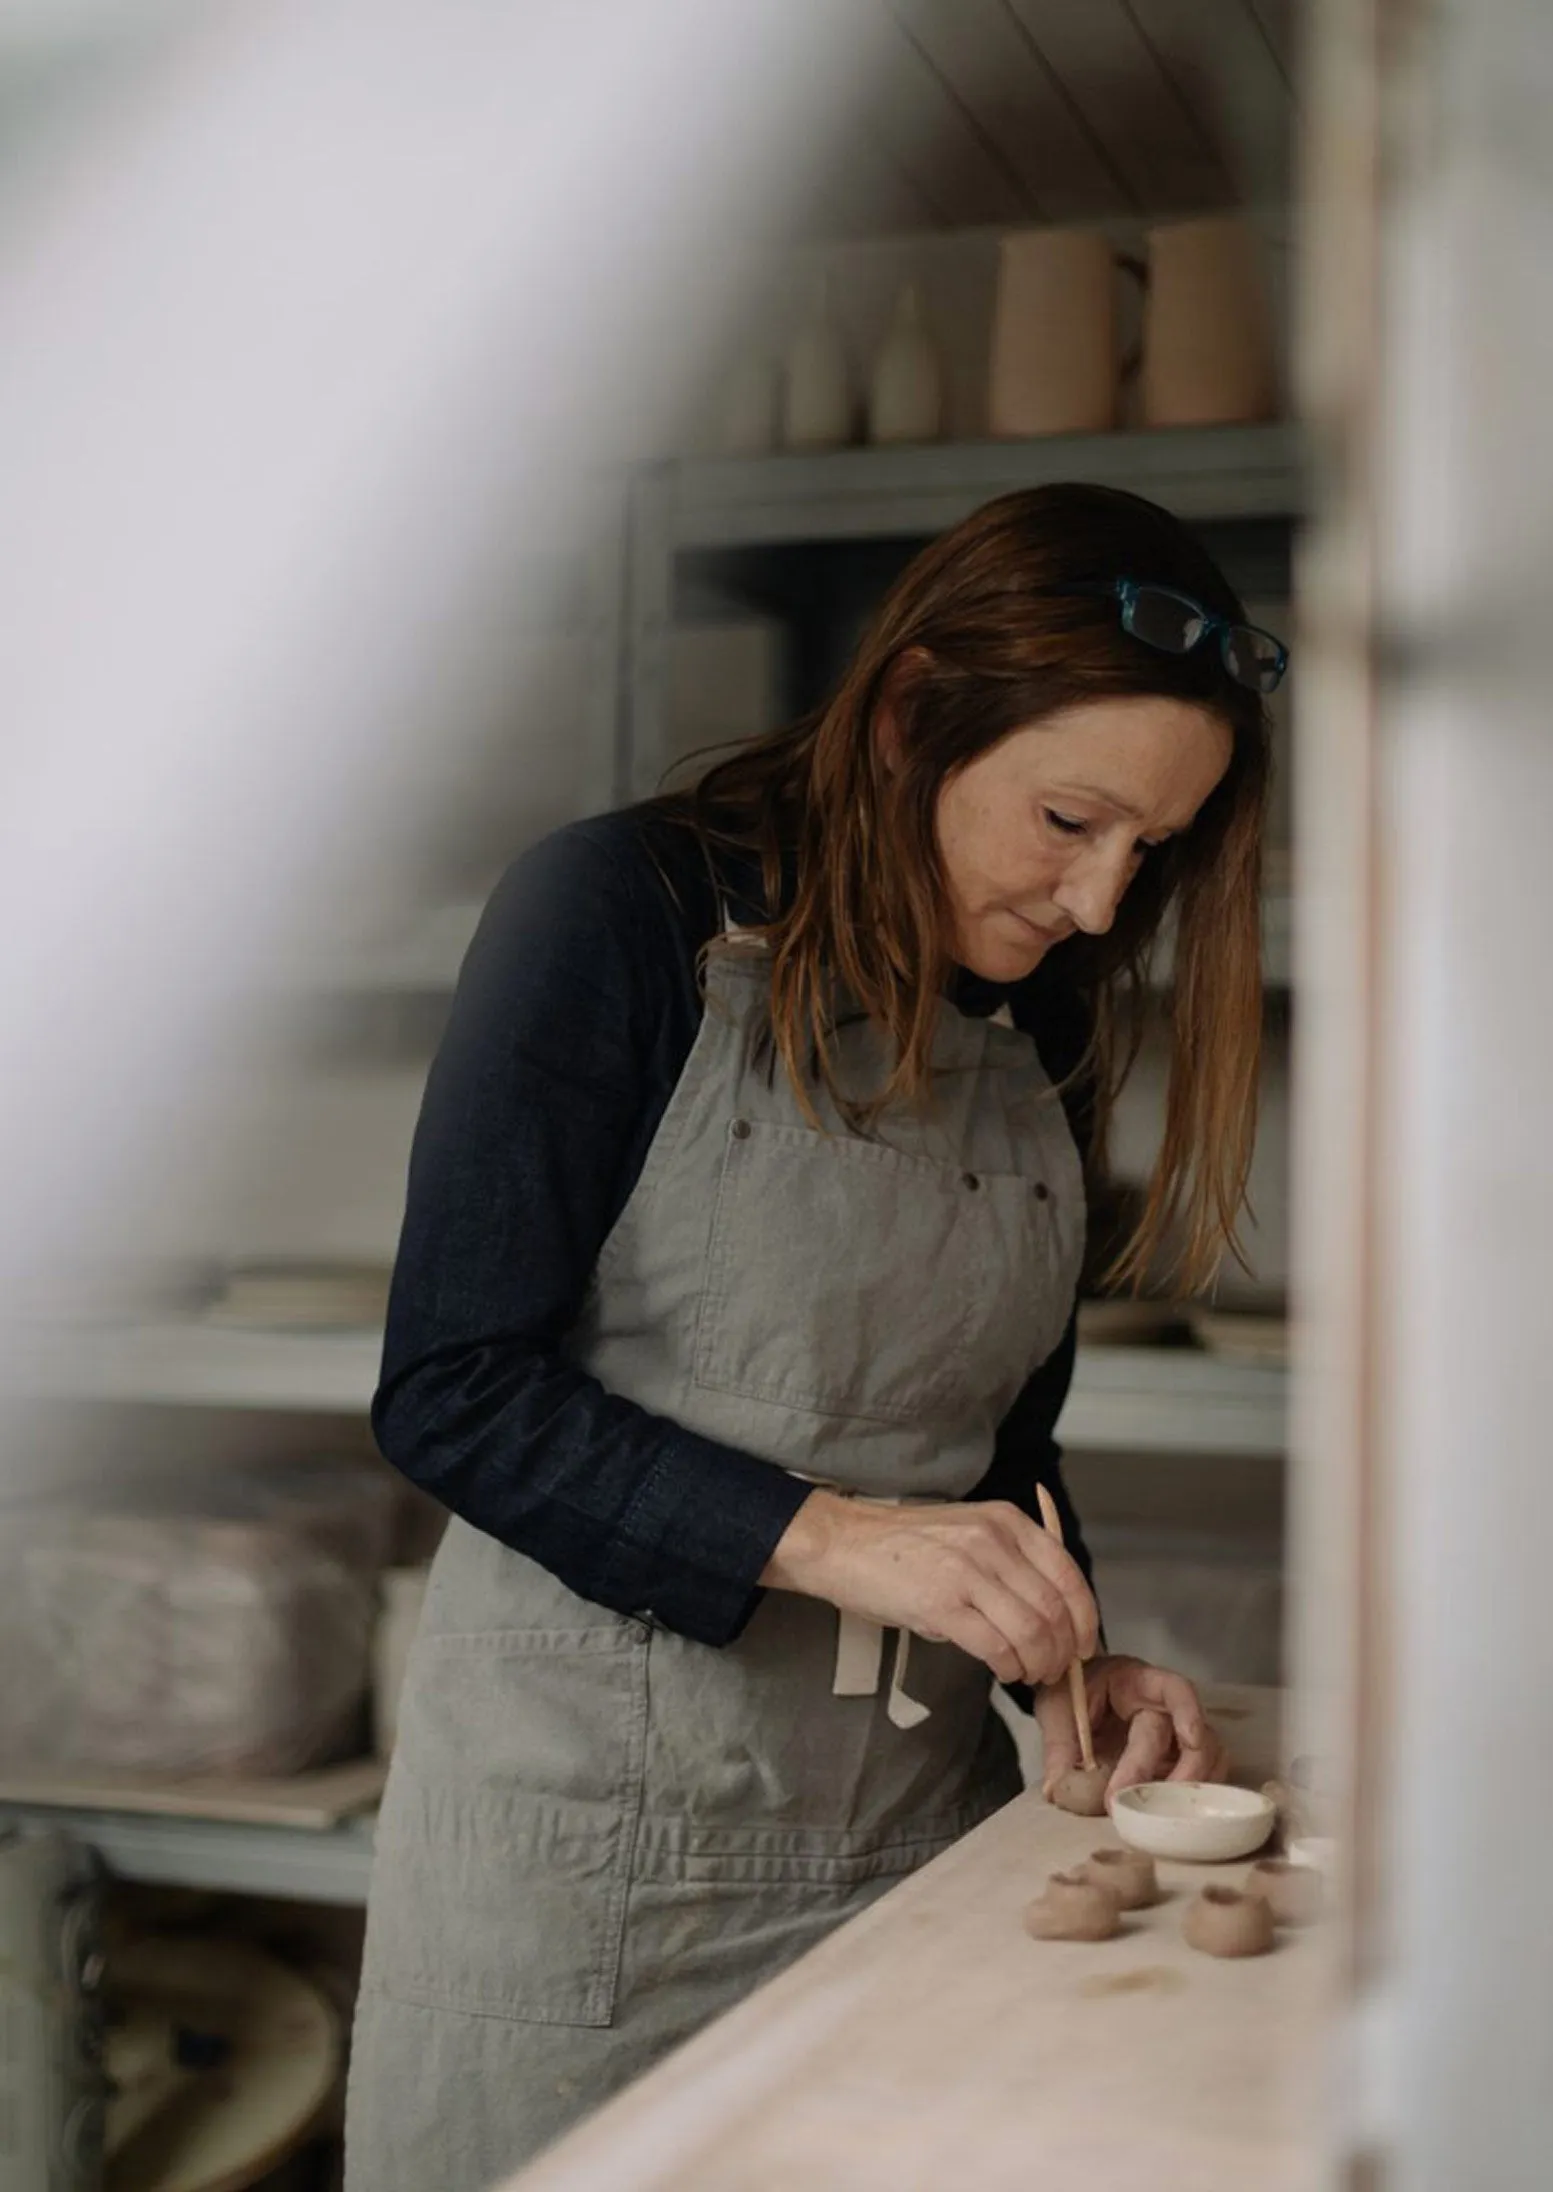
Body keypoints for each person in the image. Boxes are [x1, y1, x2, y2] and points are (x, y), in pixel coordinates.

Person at [344, 482, 1283, 2189]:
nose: (1096, 903)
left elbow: (997, 1443)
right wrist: (835, 1538)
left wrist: (1065, 1654)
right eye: (1069, 819)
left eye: (1154, 851)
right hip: (597, 1881)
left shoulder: (1042, 1023)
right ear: (917, 712)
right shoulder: (615, 916)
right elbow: (452, 1392)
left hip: (920, 1850)